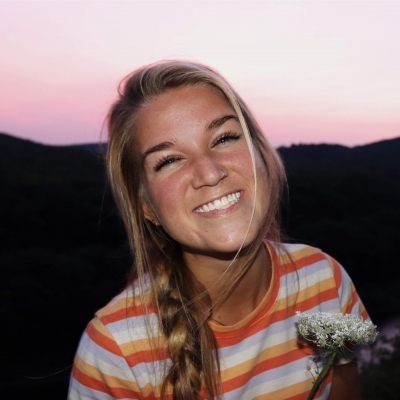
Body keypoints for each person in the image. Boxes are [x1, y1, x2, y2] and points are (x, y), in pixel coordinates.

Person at [68, 61, 367, 400]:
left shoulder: (326, 280)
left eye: (223, 138)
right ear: (146, 206)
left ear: (262, 156)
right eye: (169, 160)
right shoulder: (114, 353)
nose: (209, 173)